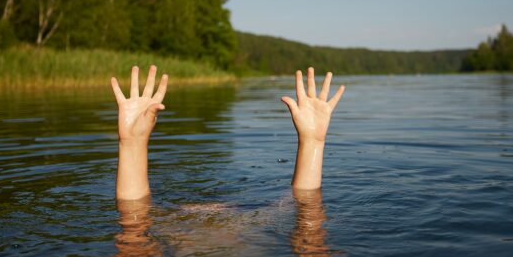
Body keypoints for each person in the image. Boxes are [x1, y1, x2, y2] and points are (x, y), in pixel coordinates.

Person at [109, 65, 345, 200]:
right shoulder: (263, 222)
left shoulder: (167, 228)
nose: (214, 209)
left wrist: (133, 147)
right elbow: (304, 208)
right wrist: (312, 144)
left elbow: (133, 220)